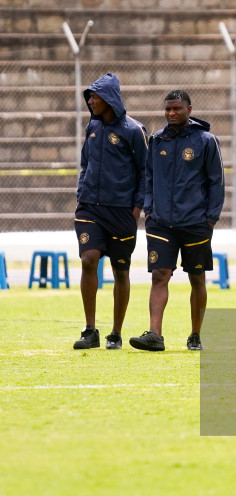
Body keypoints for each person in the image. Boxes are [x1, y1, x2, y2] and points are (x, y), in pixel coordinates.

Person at [130, 90, 225, 352]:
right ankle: (155, 335)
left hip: (196, 223)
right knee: (160, 275)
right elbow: (148, 177)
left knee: (197, 278)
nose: (171, 113)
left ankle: (195, 335)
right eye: (168, 109)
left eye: (177, 109)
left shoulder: (206, 141)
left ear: (189, 110)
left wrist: (210, 219)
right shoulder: (156, 141)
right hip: (160, 222)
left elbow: (216, 181)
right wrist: (149, 210)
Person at [73, 73, 148, 350]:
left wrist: (137, 208)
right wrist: (82, 193)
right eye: (90, 97)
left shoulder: (133, 130)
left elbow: (145, 172)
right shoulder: (91, 127)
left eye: (94, 96)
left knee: (120, 270)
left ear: (109, 99)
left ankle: (115, 333)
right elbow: (85, 164)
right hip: (89, 208)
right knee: (89, 259)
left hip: (121, 213)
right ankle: (90, 329)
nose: (90, 101)